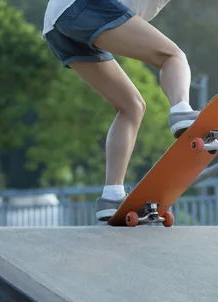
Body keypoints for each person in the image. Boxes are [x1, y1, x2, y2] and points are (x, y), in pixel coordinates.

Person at [42, 0, 198, 221]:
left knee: (131, 107)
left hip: (59, 26)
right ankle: (182, 109)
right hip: (83, 7)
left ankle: (112, 196)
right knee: (172, 56)